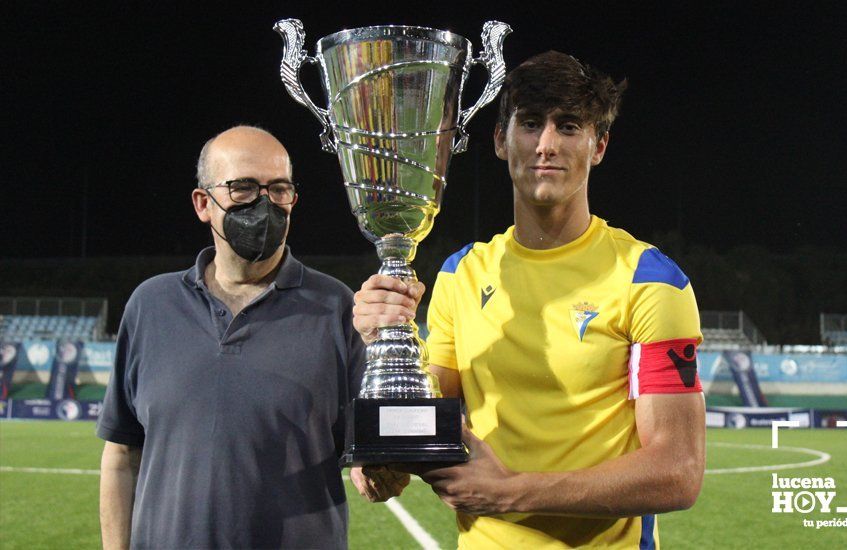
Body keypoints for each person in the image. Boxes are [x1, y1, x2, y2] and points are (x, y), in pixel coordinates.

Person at [352, 52, 706, 548]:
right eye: (531, 124)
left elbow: (678, 470)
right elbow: (432, 421)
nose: (546, 145)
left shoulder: (649, 280)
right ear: (501, 140)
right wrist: (382, 405)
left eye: (568, 126)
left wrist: (512, 493)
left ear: (598, 145)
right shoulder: (462, 273)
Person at [97, 126, 403, 549]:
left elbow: (375, 455)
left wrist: (383, 468)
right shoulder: (150, 305)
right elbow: (121, 457)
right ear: (204, 203)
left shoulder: (338, 308)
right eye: (242, 187)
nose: (264, 203)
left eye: (279, 189)